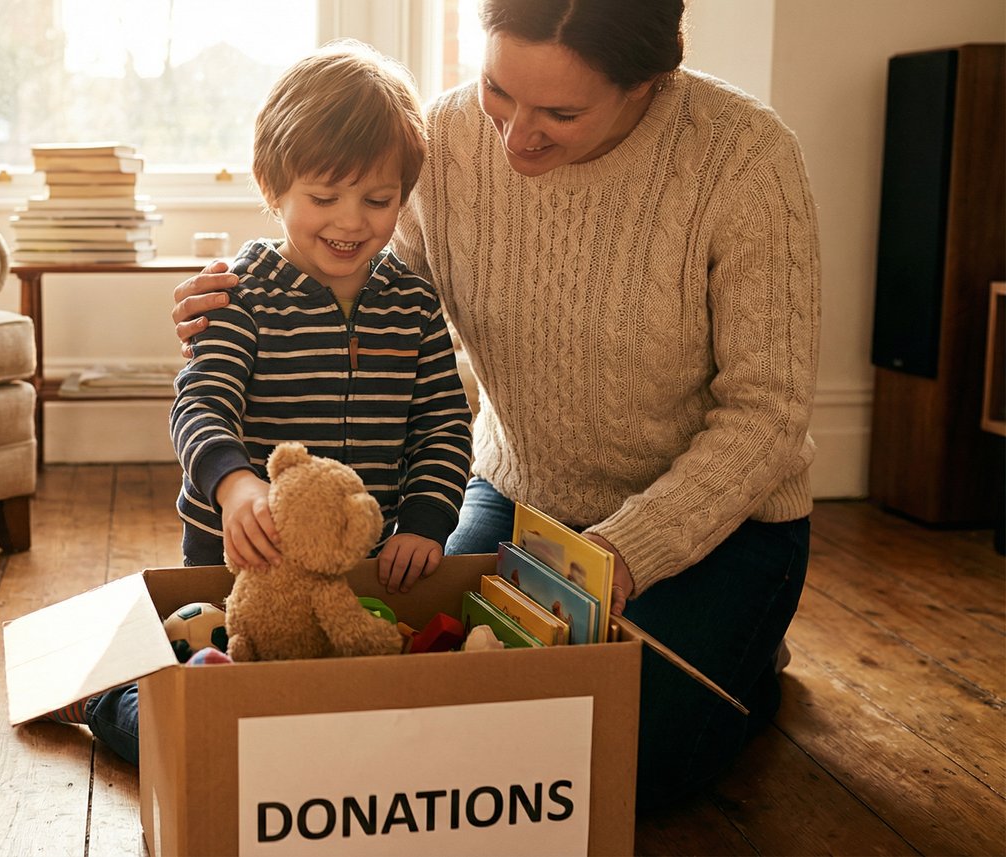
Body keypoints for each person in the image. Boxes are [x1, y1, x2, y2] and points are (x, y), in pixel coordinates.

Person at [170, 0, 819, 811]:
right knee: (439, 705)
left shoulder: (745, 160)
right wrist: (237, 289)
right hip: (519, 498)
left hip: (716, 528)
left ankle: (746, 649)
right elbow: (357, 264)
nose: (515, 138)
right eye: (497, 91)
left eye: (561, 112)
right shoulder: (442, 142)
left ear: (648, 84)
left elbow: (769, 414)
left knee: (618, 766)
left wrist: (626, 550)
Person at [45, 39, 474, 765]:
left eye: (378, 200)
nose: (351, 221)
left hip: (361, 565)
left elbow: (442, 425)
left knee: (339, 721)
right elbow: (199, 404)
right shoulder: (241, 293)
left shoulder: (414, 304)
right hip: (237, 560)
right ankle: (114, 697)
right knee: (213, 725)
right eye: (323, 196)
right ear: (273, 187)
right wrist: (235, 485)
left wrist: (428, 521)